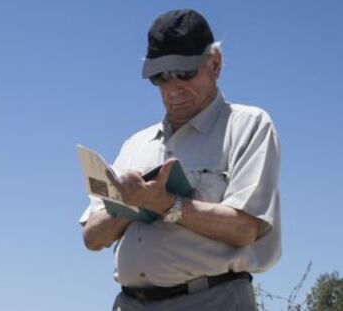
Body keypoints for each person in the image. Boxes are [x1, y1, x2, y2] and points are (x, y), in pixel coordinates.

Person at [80, 8, 281, 311]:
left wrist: (167, 204)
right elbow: (92, 238)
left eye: (185, 73)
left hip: (213, 300)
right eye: (161, 77)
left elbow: (245, 229)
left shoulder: (249, 126)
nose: (173, 88)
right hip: (131, 303)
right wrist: (129, 204)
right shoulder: (135, 144)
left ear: (215, 63)